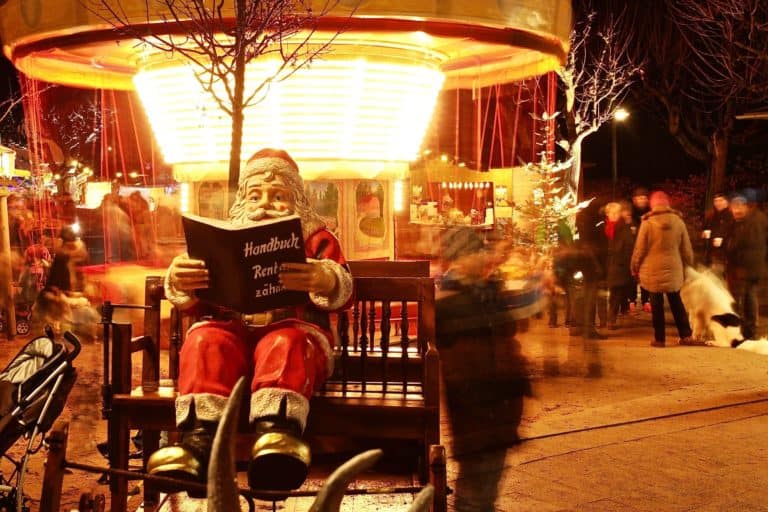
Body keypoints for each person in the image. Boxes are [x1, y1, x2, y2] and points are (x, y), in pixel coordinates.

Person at [147, 149, 353, 492]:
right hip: (233, 333)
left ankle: (277, 436)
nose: (264, 204)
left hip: (291, 331)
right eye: (255, 195)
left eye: (278, 197)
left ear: (298, 200)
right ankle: (198, 444)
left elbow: (343, 288)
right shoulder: (222, 242)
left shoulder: (317, 239)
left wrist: (325, 279)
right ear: (242, 199)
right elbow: (194, 303)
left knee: (285, 344)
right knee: (204, 341)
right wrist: (184, 281)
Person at [630, 191, 694, 347]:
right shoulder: (678, 221)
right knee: (676, 301)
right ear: (668, 203)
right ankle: (686, 335)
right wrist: (689, 265)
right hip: (674, 267)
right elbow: (686, 248)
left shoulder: (647, 222)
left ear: (652, 204)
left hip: (652, 269)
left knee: (656, 304)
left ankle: (660, 339)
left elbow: (640, 248)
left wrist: (634, 266)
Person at [725, 194, 766, 340]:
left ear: (745, 206)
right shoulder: (754, 219)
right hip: (750, 265)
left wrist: (739, 262)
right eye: (734, 209)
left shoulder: (752, 221)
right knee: (748, 296)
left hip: (748, 266)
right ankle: (747, 330)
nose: (735, 211)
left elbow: (746, 244)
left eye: (738, 207)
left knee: (747, 297)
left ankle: (749, 330)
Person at [602, 202, 635, 329]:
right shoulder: (606, 227)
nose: (613, 215)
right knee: (615, 293)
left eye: (616, 212)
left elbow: (628, 248)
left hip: (620, 265)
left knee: (615, 294)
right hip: (610, 265)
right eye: (611, 213)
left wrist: (627, 264)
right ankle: (613, 317)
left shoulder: (624, 228)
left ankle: (611, 320)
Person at [630, 187, 651, 312]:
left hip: (647, 250)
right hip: (633, 249)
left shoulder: (651, 213)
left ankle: (646, 300)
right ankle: (631, 299)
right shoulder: (630, 214)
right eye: (639, 198)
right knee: (632, 275)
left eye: (644, 198)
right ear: (634, 200)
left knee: (645, 275)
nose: (641, 200)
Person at [702, 192, 733, 277]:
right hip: (710, 251)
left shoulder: (731, 216)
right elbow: (705, 228)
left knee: (718, 276)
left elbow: (733, 233)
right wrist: (704, 233)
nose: (718, 203)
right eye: (716, 201)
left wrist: (723, 240)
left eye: (720, 200)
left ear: (726, 202)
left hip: (724, 253)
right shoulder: (711, 215)